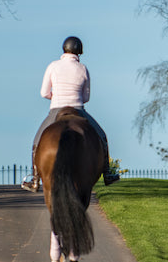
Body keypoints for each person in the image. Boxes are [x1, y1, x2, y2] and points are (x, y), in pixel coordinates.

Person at [21, 36, 119, 192]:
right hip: (78, 110)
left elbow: (43, 92)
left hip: (56, 110)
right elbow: (86, 97)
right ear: (79, 52)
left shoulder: (53, 66)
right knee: (102, 136)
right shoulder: (83, 68)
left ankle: (34, 180)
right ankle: (108, 173)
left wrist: (54, 96)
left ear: (63, 50)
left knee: (37, 141)